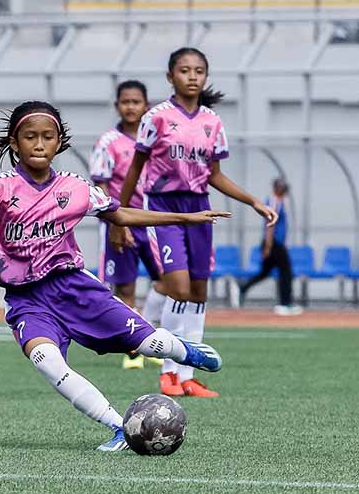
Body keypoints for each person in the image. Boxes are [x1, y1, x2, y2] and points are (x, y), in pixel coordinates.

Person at [0, 100, 228, 453]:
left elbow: (122, 215)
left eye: (47, 137)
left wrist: (186, 218)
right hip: (26, 300)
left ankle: (182, 350)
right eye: (29, 137)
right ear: (14, 143)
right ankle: (119, 427)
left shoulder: (76, 188)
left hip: (75, 289)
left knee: (147, 344)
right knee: (48, 362)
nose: (38, 144)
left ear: (59, 143)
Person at [118, 47, 277, 399]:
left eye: (199, 71)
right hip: (164, 208)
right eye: (185, 70)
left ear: (206, 76)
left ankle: (188, 375)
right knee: (179, 287)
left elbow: (214, 176)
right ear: (170, 76)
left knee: (200, 292)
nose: (192, 76)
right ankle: (168, 372)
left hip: (200, 209)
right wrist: (120, 217)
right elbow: (135, 169)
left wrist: (252, 201)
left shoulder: (212, 122)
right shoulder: (156, 118)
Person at [89, 80, 166, 370]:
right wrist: (115, 222)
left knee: (167, 281)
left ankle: (147, 334)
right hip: (121, 221)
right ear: (117, 106)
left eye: (136, 102)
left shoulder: (155, 141)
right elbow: (102, 185)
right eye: (125, 102)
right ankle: (133, 349)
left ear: (146, 105)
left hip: (153, 221)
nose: (131, 107)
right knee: (126, 287)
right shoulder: (108, 142)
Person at [235, 178, 302, 316]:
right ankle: (285, 303)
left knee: (264, 272)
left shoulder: (279, 201)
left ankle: (242, 288)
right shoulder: (274, 201)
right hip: (273, 243)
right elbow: (271, 223)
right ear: (277, 188)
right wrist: (268, 246)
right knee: (286, 272)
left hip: (274, 244)